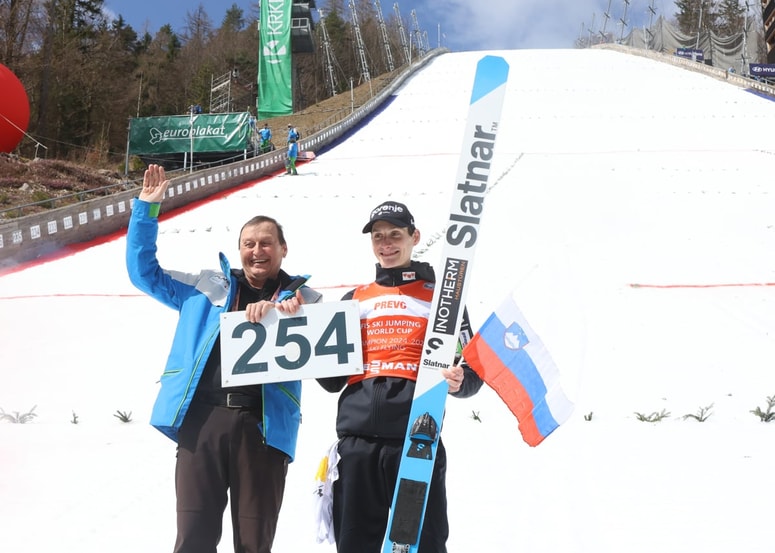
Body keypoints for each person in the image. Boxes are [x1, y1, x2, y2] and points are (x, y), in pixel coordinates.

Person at [125, 164, 322, 553]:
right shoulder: (205, 288)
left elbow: (333, 356)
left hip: (263, 431)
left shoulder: (305, 301)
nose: (257, 250)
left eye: (267, 243)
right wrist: (145, 213)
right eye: (249, 243)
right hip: (203, 423)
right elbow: (144, 274)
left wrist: (297, 314)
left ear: (283, 250)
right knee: (194, 539)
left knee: (254, 543)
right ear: (240, 250)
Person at [317, 200, 483, 553]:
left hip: (416, 442)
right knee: (355, 545)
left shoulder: (442, 299)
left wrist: (460, 380)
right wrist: (302, 334)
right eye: (378, 237)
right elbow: (331, 380)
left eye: (395, 234)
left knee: (424, 544)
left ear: (414, 237)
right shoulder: (355, 299)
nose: (386, 244)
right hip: (358, 444)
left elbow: (473, 369)